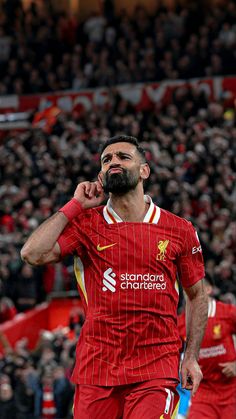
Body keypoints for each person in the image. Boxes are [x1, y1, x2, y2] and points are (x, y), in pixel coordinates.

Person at [21, 135, 208, 419]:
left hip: (155, 368)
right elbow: (32, 253)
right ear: (100, 176)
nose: (114, 163)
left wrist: (191, 356)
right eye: (107, 160)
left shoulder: (179, 229)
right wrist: (74, 205)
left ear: (144, 170)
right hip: (97, 368)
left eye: (123, 156)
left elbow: (197, 295)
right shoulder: (86, 224)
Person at [178, 274, 236, 419]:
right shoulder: (181, 323)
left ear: (209, 289)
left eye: (195, 288)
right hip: (203, 393)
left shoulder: (228, 313)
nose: (190, 292)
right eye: (187, 289)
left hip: (231, 391)